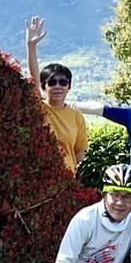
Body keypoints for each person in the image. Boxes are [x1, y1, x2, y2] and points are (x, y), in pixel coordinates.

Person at [24, 16, 88, 174]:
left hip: (65, 181)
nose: (58, 86)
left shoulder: (76, 116)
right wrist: (31, 46)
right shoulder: (39, 108)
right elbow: (33, 78)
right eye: (52, 83)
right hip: (39, 177)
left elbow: (80, 151)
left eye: (63, 82)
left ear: (69, 86)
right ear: (44, 87)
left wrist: (69, 167)